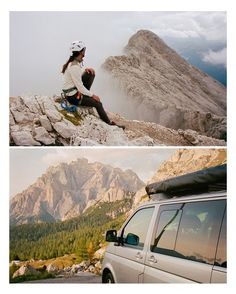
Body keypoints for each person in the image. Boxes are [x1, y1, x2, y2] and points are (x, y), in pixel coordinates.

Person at [61, 40, 124, 129]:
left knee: (90, 74)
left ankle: (86, 97)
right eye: (83, 50)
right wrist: (93, 96)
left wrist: (85, 70)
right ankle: (109, 123)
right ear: (80, 52)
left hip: (72, 92)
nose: (84, 53)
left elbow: (75, 77)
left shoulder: (73, 63)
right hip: (73, 97)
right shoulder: (74, 66)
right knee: (98, 103)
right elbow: (80, 87)